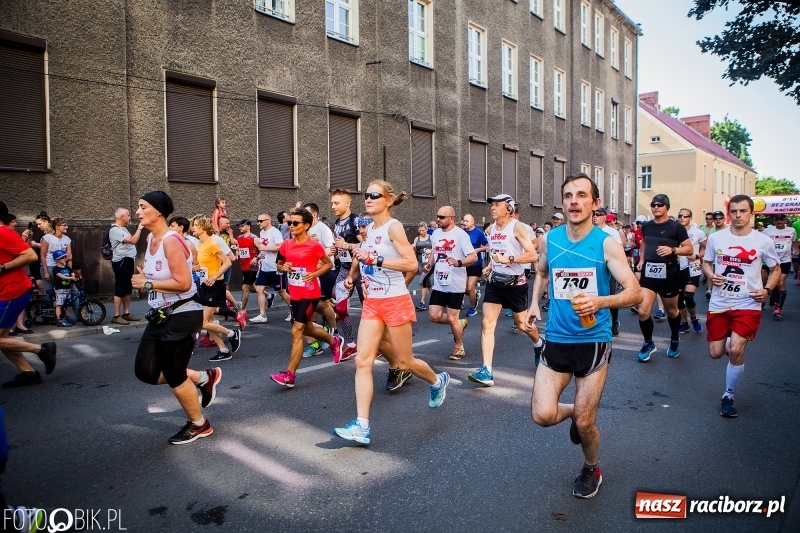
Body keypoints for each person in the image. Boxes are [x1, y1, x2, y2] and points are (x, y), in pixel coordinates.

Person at [526, 173, 641, 499]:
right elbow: (543, 272)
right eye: (568, 195)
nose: (574, 201)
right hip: (557, 338)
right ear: (562, 202)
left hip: (593, 341)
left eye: (581, 195)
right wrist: (535, 301)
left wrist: (601, 300)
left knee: (586, 421)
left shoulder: (606, 243)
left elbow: (635, 293)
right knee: (542, 415)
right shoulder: (551, 239)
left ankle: (591, 468)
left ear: (594, 203)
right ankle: (575, 415)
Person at [334, 181, 450, 445]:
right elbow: (366, 257)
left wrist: (377, 261)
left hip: (395, 301)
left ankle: (437, 380)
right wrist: (357, 275)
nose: (368, 199)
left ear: (388, 199)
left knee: (404, 361)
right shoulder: (370, 229)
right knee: (362, 361)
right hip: (373, 302)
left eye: (374, 195)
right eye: (366, 195)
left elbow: (411, 264)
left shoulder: (394, 227)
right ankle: (362, 426)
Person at [132, 191, 221, 445]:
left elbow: (183, 283)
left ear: (158, 211)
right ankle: (204, 378)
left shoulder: (171, 240)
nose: (138, 212)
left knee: (173, 374)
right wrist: (147, 281)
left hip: (182, 313)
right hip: (162, 314)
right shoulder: (151, 239)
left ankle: (199, 424)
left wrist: (147, 284)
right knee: (146, 371)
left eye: (142, 207)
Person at [702, 195, 780, 418]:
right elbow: (706, 262)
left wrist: (767, 290)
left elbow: (775, 269)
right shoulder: (717, 238)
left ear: (751, 213)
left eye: (743, 211)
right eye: (734, 211)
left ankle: (728, 395)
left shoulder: (763, 241)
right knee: (716, 353)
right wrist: (710, 274)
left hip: (748, 303)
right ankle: (732, 341)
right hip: (719, 302)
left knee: (735, 350)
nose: (737, 215)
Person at [467, 194, 543, 387]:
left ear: (508, 208)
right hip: (495, 283)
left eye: (497, 205)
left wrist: (509, 260)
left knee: (522, 325)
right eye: (492, 205)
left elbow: (532, 255)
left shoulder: (517, 227)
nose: (493, 208)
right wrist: (491, 266)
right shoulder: (491, 228)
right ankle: (486, 370)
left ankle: (539, 344)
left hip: (516, 284)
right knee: (487, 323)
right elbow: (496, 252)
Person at [270, 208, 343, 388]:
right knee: (308, 329)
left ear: (306, 225)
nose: (291, 226)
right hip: (294, 293)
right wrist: (283, 267)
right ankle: (334, 341)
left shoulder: (314, 246)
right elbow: (278, 265)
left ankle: (290, 375)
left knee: (297, 331)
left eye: (295, 223)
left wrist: (314, 274)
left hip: (309, 293)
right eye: (289, 223)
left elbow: (328, 263)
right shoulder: (286, 245)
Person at [0, 201, 57, 388]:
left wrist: (2, 268)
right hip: (7, 292)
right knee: (3, 339)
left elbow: (30, 255)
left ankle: (42, 349)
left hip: (11, 292)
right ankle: (28, 372)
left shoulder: (3, 232)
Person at [635, 194, 692, 361]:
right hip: (649, 273)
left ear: (667, 207)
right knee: (643, 310)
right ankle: (648, 343)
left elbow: (689, 249)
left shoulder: (676, 227)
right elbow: (644, 242)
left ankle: (675, 338)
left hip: (669, 274)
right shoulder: (646, 226)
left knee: (672, 310)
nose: (656, 207)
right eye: (653, 204)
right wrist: (642, 260)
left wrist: (673, 250)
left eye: (660, 205)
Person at [424, 206, 477, 360]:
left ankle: (459, 346)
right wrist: (429, 263)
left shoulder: (461, 235)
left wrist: (458, 262)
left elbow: (473, 257)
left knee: (452, 318)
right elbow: (434, 250)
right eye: (437, 216)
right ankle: (459, 324)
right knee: (434, 316)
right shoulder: (435, 233)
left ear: (452, 218)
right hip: (440, 282)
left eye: (442, 217)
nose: (438, 219)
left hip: (456, 284)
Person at [192, 216, 242, 361]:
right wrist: (187, 267)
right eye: (193, 225)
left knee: (204, 322)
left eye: (196, 225)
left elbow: (227, 262)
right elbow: (202, 266)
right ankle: (224, 350)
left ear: (203, 227)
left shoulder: (212, 243)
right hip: (204, 284)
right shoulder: (201, 244)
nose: (193, 227)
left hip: (215, 285)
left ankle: (232, 334)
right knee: (209, 322)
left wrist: (214, 276)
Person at [331, 189, 361, 361]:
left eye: (336, 203)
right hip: (344, 268)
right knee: (341, 308)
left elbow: (365, 244)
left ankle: (382, 343)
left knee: (371, 310)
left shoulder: (355, 220)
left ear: (347, 203)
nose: (333, 206)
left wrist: (346, 245)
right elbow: (341, 247)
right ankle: (351, 344)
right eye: (332, 203)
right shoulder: (337, 222)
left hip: (361, 270)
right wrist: (336, 250)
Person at [592, 207, 624, 336]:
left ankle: (614, 321)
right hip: (593, 267)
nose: (595, 217)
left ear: (604, 217)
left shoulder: (611, 232)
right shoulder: (590, 231)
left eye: (598, 215)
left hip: (609, 268)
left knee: (610, 296)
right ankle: (596, 322)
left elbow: (620, 249)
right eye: (593, 214)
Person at [110, 208, 144, 325]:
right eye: (128, 215)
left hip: (128, 260)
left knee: (128, 287)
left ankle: (126, 313)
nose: (130, 217)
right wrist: (140, 227)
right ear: (122, 217)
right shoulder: (115, 230)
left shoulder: (122, 228)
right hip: (121, 261)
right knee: (120, 287)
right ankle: (116, 315)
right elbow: (133, 240)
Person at [676, 208, 707, 334]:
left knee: (688, 297)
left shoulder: (698, 232)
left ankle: (693, 319)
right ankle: (684, 323)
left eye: (685, 216)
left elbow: (707, 248)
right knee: (678, 299)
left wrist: (697, 256)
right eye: (680, 216)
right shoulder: (674, 231)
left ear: (690, 218)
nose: (682, 218)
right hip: (677, 268)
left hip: (692, 267)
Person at [762, 214, 797, 319]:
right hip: (770, 260)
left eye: (781, 219)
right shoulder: (767, 231)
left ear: (785, 220)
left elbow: (794, 242)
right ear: (774, 221)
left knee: (780, 283)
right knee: (767, 281)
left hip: (784, 260)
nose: (779, 221)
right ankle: (773, 296)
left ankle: (778, 307)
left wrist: (796, 249)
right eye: (777, 219)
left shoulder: (791, 231)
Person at [251, 213, 283, 324]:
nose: (258, 223)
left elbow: (280, 247)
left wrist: (266, 248)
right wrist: (257, 257)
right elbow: (263, 249)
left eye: (261, 221)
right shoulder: (262, 232)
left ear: (268, 220)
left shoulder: (275, 232)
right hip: (264, 267)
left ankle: (293, 310)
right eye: (258, 221)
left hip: (275, 267)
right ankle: (262, 315)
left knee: (282, 292)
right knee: (259, 289)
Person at [461, 213, 489, 317]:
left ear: (472, 222)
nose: (464, 223)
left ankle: (473, 307)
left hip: (475, 263)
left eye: (466, 221)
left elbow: (487, 246)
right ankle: (474, 296)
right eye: (463, 221)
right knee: (463, 288)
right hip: (463, 263)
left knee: (469, 288)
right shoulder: (461, 232)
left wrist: (478, 249)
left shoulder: (478, 233)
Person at [40, 217, 72, 299]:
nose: (67, 227)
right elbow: (43, 256)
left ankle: (74, 310)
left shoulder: (67, 239)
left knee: (69, 289)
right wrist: (45, 272)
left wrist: (70, 271)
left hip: (62, 268)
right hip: (50, 266)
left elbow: (69, 257)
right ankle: (48, 310)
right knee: (49, 291)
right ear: (57, 227)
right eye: (64, 225)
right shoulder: (47, 238)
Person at [235, 220, 259, 313]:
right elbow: (238, 248)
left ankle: (241, 310)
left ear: (248, 226)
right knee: (252, 288)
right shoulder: (239, 237)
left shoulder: (254, 238)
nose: (240, 228)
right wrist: (237, 255)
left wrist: (256, 258)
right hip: (243, 265)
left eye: (242, 226)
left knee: (244, 287)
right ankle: (268, 296)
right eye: (239, 226)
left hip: (252, 266)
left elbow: (262, 250)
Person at [51, 250, 76, 327]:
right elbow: (62, 277)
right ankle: (59, 319)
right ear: (57, 260)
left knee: (67, 304)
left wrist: (74, 275)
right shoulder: (56, 269)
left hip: (67, 288)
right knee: (59, 304)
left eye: (65, 257)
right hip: (60, 289)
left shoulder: (66, 267)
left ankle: (67, 317)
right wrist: (71, 278)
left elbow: (72, 271)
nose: (65, 258)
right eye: (63, 257)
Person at [412, 222, 432, 310]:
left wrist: (430, 251)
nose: (421, 232)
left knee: (422, 281)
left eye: (423, 230)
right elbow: (414, 249)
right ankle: (438, 300)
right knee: (428, 283)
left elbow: (436, 249)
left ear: (426, 229)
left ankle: (422, 302)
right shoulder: (417, 239)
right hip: (420, 262)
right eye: (420, 230)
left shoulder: (431, 238)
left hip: (429, 263)